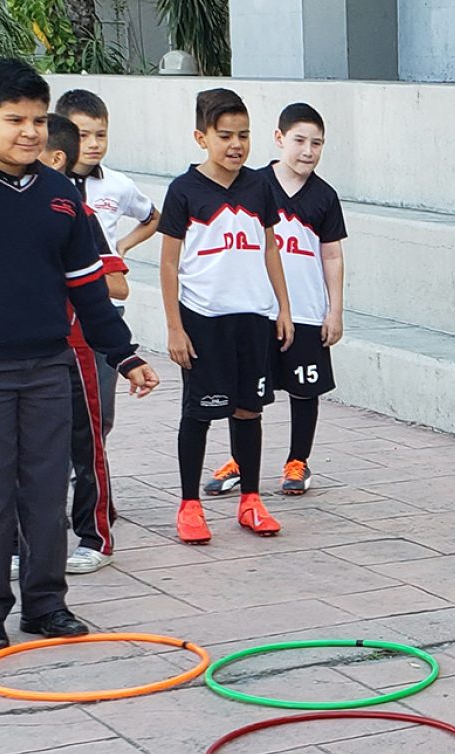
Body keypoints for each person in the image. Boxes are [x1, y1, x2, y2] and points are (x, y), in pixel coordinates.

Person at [0, 59, 159, 648]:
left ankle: (45, 605)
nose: (30, 132)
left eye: (38, 120)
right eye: (14, 119)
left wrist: (125, 355)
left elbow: (89, 286)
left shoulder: (61, 196)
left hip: (49, 368)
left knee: (45, 490)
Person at [158, 88, 293, 545]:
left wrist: (283, 308)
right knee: (199, 412)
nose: (236, 145)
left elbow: (271, 246)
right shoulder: (183, 190)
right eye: (225, 135)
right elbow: (169, 264)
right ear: (202, 137)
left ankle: (251, 500)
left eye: (244, 135)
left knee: (248, 410)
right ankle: (189, 505)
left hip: (253, 317)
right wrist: (175, 326)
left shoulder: (260, 186)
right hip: (203, 320)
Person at [205, 102, 346, 499]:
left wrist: (334, 311)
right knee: (245, 392)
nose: (308, 151)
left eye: (316, 143)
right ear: (279, 138)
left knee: (305, 389)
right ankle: (239, 460)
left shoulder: (325, 197)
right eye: (300, 140)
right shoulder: (251, 185)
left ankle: (297, 461)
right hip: (255, 309)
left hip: (305, 310)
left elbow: (332, 255)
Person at [42, 113, 128, 576]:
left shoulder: (79, 213)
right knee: (19, 450)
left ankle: (96, 536)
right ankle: (18, 546)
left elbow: (114, 286)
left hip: (77, 347)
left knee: (86, 440)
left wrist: (65, 278)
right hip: (22, 349)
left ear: (54, 156)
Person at [56, 87, 159, 458]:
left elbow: (152, 218)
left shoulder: (117, 184)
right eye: (83, 135)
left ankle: (89, 471)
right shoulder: (49, 184)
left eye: (101, 134)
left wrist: (123, 249)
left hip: (102, 302)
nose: (94, 143)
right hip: (57, 312)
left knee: (100, 408)